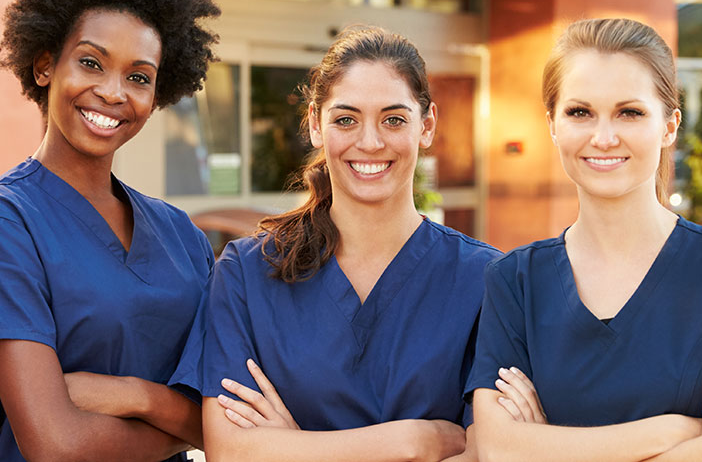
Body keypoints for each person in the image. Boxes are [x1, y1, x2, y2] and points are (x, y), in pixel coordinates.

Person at [465, 18, 702, 462]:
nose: (603, 137)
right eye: (580, 112)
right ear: (553, 125)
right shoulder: (514, 281)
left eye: (630, 112)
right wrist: (666, 434)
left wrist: (550, 448)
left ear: (669, 126)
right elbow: (499, 450)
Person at [170, 26, 500, 461]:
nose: (370, 142)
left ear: (427, 125)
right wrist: (410, 443)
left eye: (393, 119)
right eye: (346, 119)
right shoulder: (247, 272)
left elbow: (486, 453)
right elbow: (231, 452)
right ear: (314, 125)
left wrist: (293, 449)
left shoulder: (485, 280)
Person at [0, 0, 219, 460]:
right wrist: (183, 425)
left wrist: (137, 395)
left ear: (158, 94)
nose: (113, 92)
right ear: (46, 65)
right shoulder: (0, 226)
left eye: (138, 76)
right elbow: (53, 443)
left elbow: (221, 419)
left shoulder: (182, 236)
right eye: (91, 63)